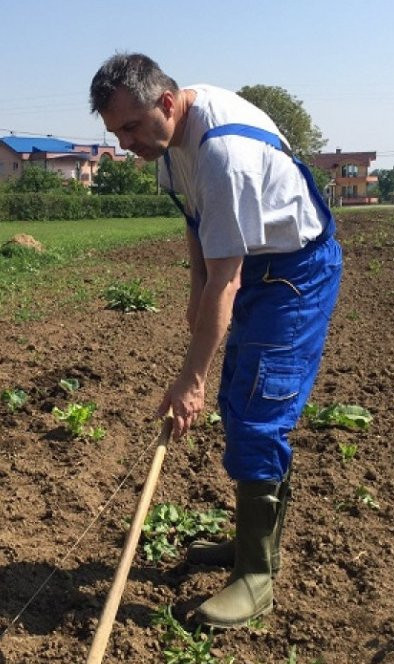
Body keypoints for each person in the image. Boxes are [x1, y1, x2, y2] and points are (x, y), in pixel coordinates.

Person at [89, 53, 343, 628]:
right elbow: (196, 221)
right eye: (115, 132)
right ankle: (252, 545)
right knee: (240, 400)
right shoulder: (168, 139)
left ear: (168, 102)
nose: (126, 142)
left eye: (131, 127)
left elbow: (228, 278)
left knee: (258, 412)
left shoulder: (223, 154)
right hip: (252, 264)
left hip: (294, 274)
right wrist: (195, 288)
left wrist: (190, 379)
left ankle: (257, 580)